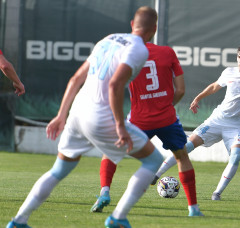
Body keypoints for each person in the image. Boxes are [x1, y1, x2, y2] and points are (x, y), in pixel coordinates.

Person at [7, 6, 161, 228]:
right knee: (153, 160)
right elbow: (116, 84)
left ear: (131, 24)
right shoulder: (139, 49)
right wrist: (120, 125)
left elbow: (75, 78)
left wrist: (61, 115)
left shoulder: (108, 39)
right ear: (154, 29)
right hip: (101, 116)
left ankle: (18, 221)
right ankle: (118, 218)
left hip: (77, 112)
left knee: (59, 170)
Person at [150, 42, 240, 201]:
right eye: (238, 57)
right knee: (186, 145)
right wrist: (198, 97)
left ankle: (217, 193)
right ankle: (157, 175)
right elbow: (215, 86)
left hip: (237, 126)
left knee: (236, 156)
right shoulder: (229, 72)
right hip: (216, 120)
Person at [90, 42, 204, 216]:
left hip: (139, 118)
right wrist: (166, 105)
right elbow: (180, 90)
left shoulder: (126, 54)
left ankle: (104, 192)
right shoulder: (167, 52)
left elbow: (113, 85)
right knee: (181, 157)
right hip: (167, 118)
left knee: (111, 152)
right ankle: (193, 209)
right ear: (154, 28)